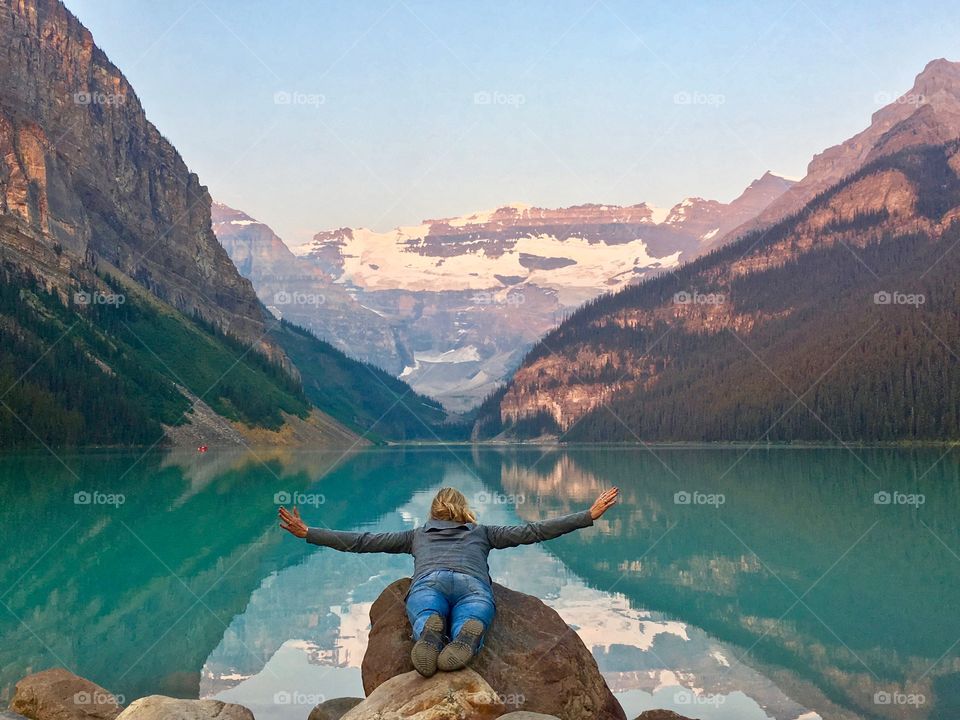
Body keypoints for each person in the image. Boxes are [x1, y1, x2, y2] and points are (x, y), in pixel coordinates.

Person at [278, 485, 619, 677]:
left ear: (434, 511)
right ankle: (466, 633)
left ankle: (428, 629)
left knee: (424, 604)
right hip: (472, 583)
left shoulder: (417, 535)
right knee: (477, 608)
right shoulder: (483, 532)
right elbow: (533, 531)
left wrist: (310, 533)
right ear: (463, 510)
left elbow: (363, 541)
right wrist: (587, 515)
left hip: (430, 581)